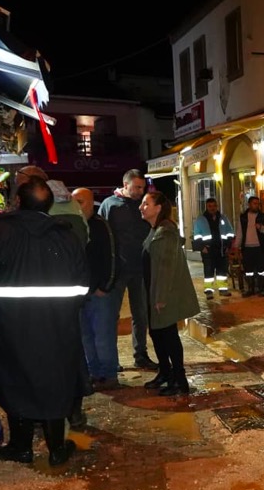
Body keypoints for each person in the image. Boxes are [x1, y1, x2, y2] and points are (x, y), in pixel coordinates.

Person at [0, 176, 89, 466]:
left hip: (8, 326)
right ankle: (57, 448)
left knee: (13, 380)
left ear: (17, 202)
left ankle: (20, 447)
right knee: (55, 380)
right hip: (58, 327)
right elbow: (83, 286)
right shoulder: (66, 235)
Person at [139, 192, 200, 394]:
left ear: (158, 208)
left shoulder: (165, 232)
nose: (141, 207)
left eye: (146, 203)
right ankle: (166, 372)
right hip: (152, 293)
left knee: (168, 336)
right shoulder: (155, 230)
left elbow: (165, 268)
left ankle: (180, 381)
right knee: (157, 334)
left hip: (162, 295)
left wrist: (160, 297)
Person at [99, 169, 157, 370]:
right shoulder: (110, 205)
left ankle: (140, 355)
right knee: (111, 314)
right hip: (117, 270)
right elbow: (101, 236)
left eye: (142, 187)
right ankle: (110, 360)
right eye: (137, 187)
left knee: (140, 314)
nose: (140, 191)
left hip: (140, 269)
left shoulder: (142, 205)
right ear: (125, 184)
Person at [71, 188, 118, 393]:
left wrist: (104, 286)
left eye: (80, 202)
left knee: (102, 336)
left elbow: (112, 257)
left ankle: (108, 375)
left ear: (90, 203)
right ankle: (94, 373)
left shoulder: (100, 226)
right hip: (81, 292)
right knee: (86, 336)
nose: (77, 206)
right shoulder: (74, 225)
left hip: (99, 292)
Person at [192, 197, 235, 300]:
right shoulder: (201, 220)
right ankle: (209, 291)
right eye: (210, 206)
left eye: (214, 206)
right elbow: (197, 236)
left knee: (222, 271)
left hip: (221, 249)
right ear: (206, 207)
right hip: (208, 250)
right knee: (208, 271)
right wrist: (202, 247)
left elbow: (230, 232)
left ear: (217, 206)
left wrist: (228, 245)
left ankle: (223, 289)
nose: (212, 208)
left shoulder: (223, 218)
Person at [231, 196, 264, 297]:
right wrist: (237, 246)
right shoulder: (243, 217)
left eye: (258, 203)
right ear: (249, 204)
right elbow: (239, 232)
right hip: (247, 247)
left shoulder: (263, 217)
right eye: (254, 203)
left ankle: (261, 289)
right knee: (248, 270)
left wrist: (261, 228)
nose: (256, 205)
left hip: (259, 247)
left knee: (261, 269)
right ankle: (250, 288)